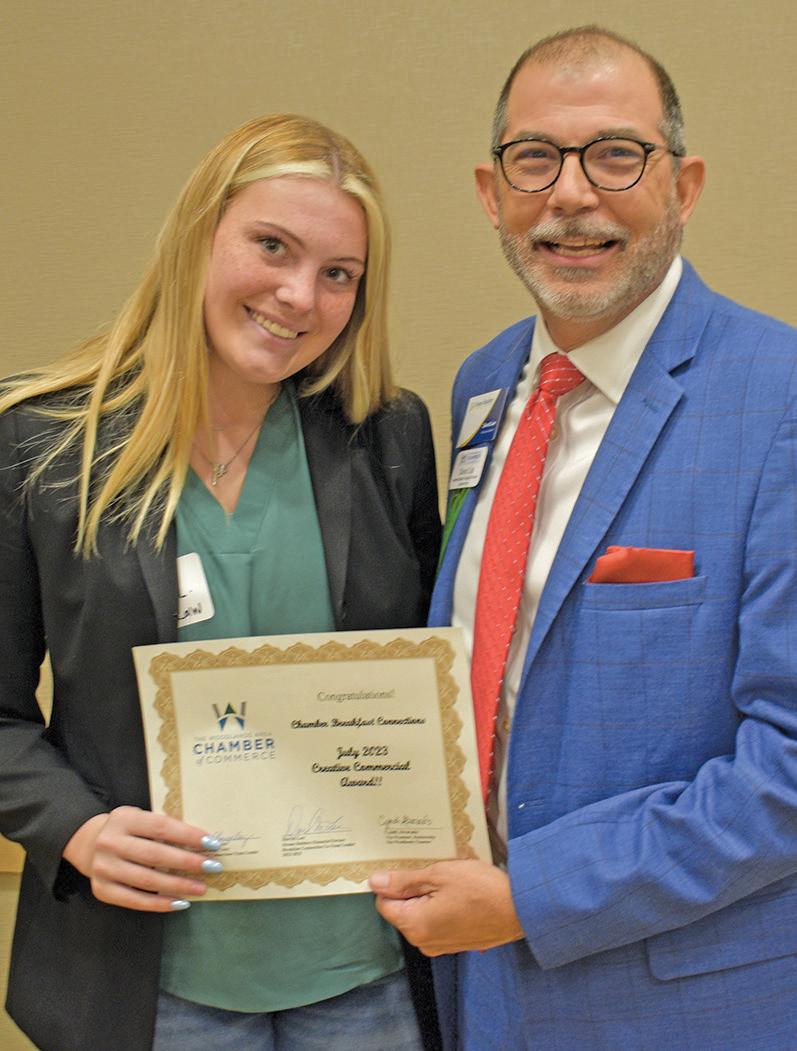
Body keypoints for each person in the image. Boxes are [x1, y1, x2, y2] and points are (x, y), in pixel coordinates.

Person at [370, 25, 797, 1050]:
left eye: (615, 155)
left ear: (683, 184)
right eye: (534, 158)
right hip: (472, 987)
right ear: (491, 193)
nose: (569, 194)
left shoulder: (777, 395)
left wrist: (530, 894)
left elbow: (785, 766)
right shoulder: (483, 386)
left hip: (681, 1003)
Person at [0, 114, 442, 1051]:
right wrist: (76, 830)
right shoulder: (42, 446)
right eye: (271, 246)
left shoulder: (387, 436)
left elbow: (436, 675)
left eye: (339, 273)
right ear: (199, 236)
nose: (299, 295)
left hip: (365, 970)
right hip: (148, 974)